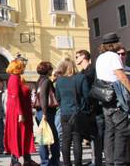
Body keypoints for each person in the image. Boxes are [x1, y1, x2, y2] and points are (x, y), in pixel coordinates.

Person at [95, 33, 130, 166]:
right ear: (116, 44)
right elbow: (122, 76)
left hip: (105, 97)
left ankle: (109, 161)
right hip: (116, 97)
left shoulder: (100, 58)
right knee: (123, 130)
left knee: (110, 131)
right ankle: (120, 161)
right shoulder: (114, 56)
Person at [55, 58, 89, 166]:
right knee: (77, 139)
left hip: (64, 112)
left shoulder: (59, 80)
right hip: (77, 112)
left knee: (65, 140)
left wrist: (63, 106)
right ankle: (78, 163)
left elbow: (58, 97)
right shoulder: (81, 78)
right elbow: (86, 95)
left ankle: (67, 163)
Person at [5, 59, 38, 166]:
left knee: (25, 134)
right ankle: (15, 160)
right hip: (18, 112)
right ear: (18, 67)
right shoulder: (14, 78)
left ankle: (27, 159)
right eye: (22, 66)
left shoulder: (17, 78)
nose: (24, 67)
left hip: (23, 111)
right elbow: (15, 97)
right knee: (17, 134)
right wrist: (20, 113)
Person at [75, 50, 103, 166]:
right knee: (92, 136)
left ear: (83, 57)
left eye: (77, 57)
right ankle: (94, 160)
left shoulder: (91, 70)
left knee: (96, 137)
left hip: (95, 108)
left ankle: (97, 161)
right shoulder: (82, 72)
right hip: (88, 110)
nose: (76, 59)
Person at [34, 61, 60, 166]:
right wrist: (45, 113)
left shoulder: (39, 81)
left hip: (40, 112)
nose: (52, 70)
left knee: (43, 138)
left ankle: (45, 161)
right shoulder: (46, 81)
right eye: (51, 68)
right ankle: (53, 161)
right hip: (46, 112)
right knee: (53, 137)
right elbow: (44, 97)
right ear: (48, 70)